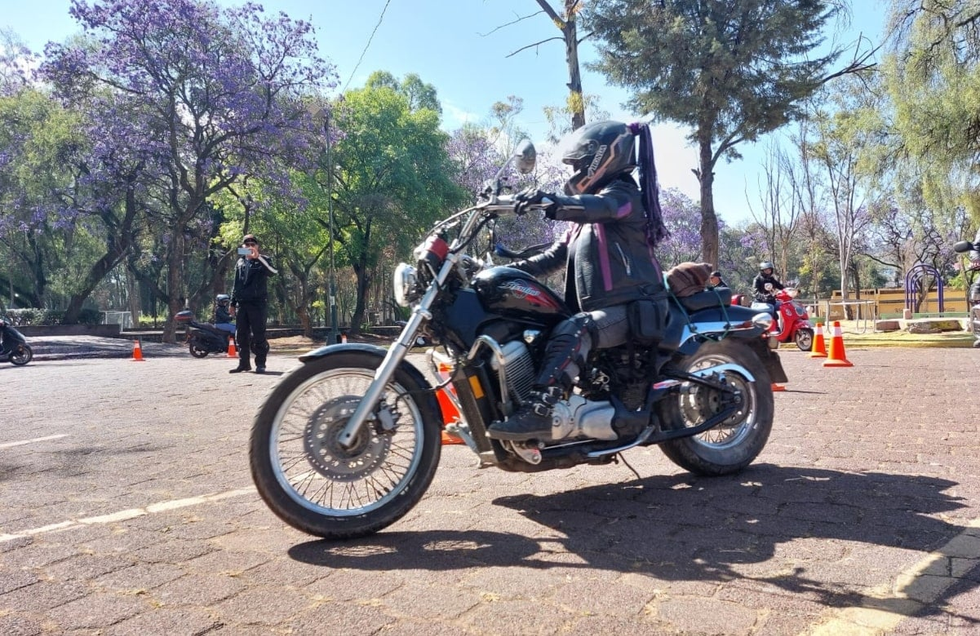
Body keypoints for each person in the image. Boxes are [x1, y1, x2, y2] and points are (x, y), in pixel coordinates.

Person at [487, 120, 670, 442]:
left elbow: (603, 207)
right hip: (606, 311)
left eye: (579, 162)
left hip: (633, 306)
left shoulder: (624, 195)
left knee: (577, 328)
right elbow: (552, 258)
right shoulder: (582, 221)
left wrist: (552, 201)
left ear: (603, 156)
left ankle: (540, 411)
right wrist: (504, 274)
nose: (574, 170)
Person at [230, 234, 277, 373]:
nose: (250, 246)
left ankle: (260, 364)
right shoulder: (240, 262)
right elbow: (236, 284)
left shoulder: (264, 260)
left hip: (257, 304)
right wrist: (232, 303)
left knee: (259, 335)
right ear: (243, 247)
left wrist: (259, 258)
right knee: (241, 336)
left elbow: (273, 272)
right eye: (247, 244)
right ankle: (244, 363)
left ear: (257, 246)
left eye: (253, 244)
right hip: (242, 304)